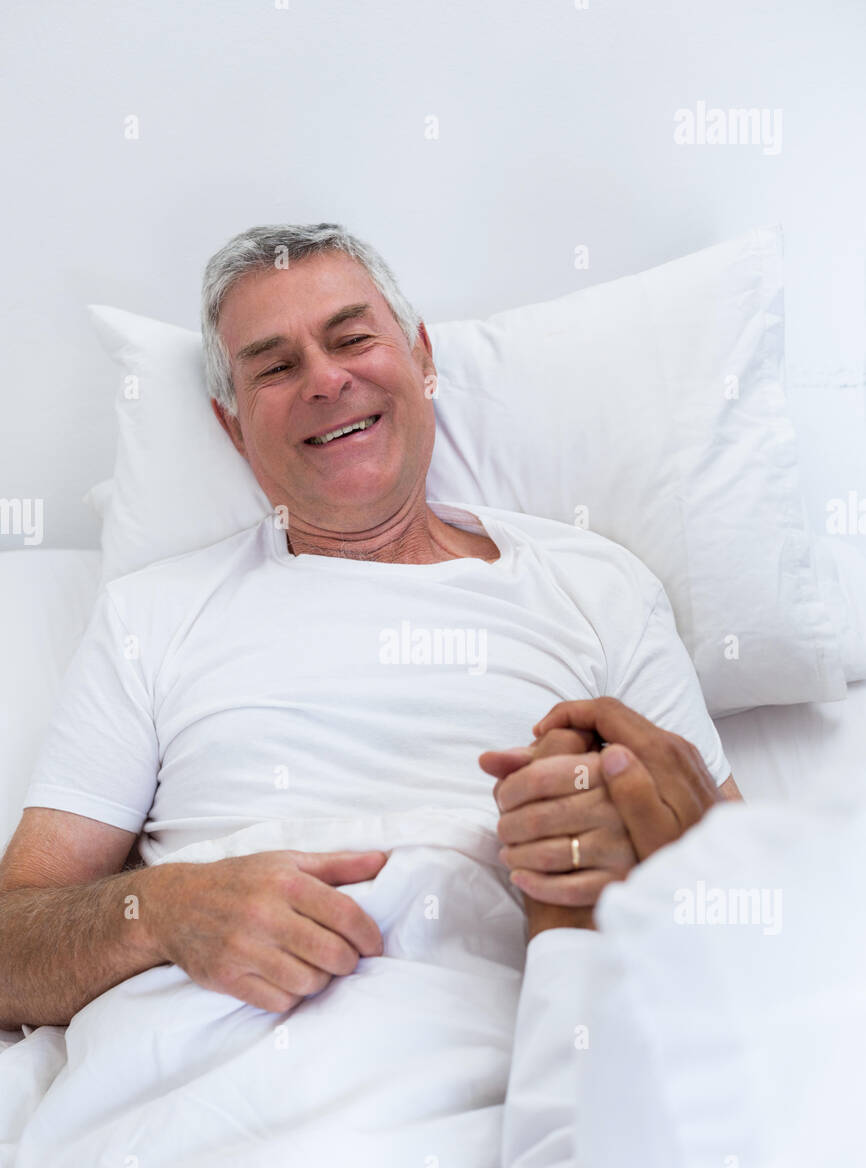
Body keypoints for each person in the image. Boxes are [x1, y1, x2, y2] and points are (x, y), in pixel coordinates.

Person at [0, 222, 740, 1031]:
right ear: (233, 425)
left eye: (351, 338)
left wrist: (641, 848)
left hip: (535, 1054)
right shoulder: (152, 614)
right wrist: (166, 908)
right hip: (222, 1076)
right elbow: (10, 957)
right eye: (276, 367)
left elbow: (744, 899)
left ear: (422, 359)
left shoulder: (597, 585)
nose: (325, 380)